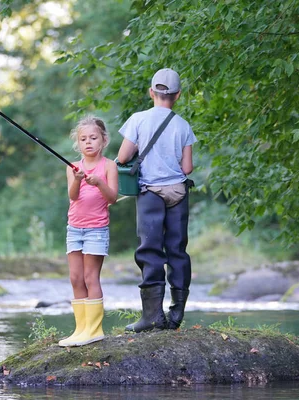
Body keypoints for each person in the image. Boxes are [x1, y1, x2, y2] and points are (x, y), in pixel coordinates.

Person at [117, 68, 196, 332]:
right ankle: (175, 316)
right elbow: (187, 168)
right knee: (177, 249)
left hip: (150, 191)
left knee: (150, 249)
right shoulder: (183, 125)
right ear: (178, 96)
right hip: (178, 192)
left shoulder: (138, 119)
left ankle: (152, 316)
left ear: (151, 92)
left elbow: (124, 156)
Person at [59, 116, 118, 347]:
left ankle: (94, 330)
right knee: (75, 278)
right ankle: (80, 329)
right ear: (78, 143)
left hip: (96, 229)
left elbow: (112, 197)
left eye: (93, 138)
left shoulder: (109, 166)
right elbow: (72, 196)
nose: (88, 142)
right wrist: (78, 179)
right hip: (74, 228)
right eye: (83, 139)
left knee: (90, 277)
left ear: (103, 140)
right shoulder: (73, 167)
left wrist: (98, 183)